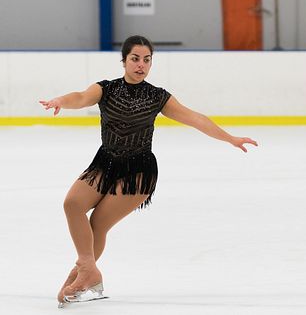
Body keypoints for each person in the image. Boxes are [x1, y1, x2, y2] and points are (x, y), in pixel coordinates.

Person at [40, 36, 258, 307]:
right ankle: (88, 270)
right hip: (105, 162)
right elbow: (81, 97)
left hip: (138, 172)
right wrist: (60, 100)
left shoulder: (157, 97)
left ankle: (83, 274)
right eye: (135, 59)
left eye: (147, 60)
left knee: (98, 223)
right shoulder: (105, 89)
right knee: (72, 204)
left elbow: (195, 118)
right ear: (124, 61)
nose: (141, 65)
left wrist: (231, 138)